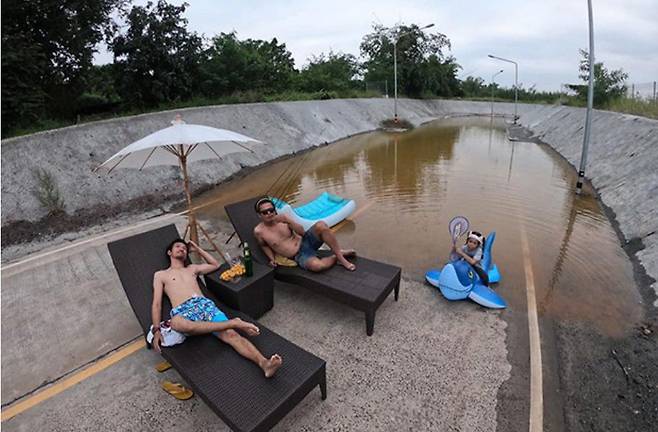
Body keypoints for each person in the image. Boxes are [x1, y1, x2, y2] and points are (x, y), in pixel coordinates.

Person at [151, 239, 282, 378]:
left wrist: (197, 249)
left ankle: (264, 363)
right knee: (176, 323)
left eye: (184, 248)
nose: (182, 248)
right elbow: (157, 303)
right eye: (178, 246)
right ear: (169, 252)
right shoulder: (160, 275)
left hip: (204, 305)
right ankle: (234, 322)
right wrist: (156, 330)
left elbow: (215, 265)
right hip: (184, 310)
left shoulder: (192, 269)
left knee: (232, 335)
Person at [253, 197, 356, 272]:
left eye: (271, 210)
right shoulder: (259, 231)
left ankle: (341, 258)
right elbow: (264, 245)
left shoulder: (282, 219)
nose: (269, 214)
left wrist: (289, 221)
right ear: (259, 215)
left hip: (305, 241)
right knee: (318, 266)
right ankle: (336, 256)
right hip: (299, 255)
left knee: (321, 225)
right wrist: (272, 259)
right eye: (265, 212)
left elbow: (302, 232)